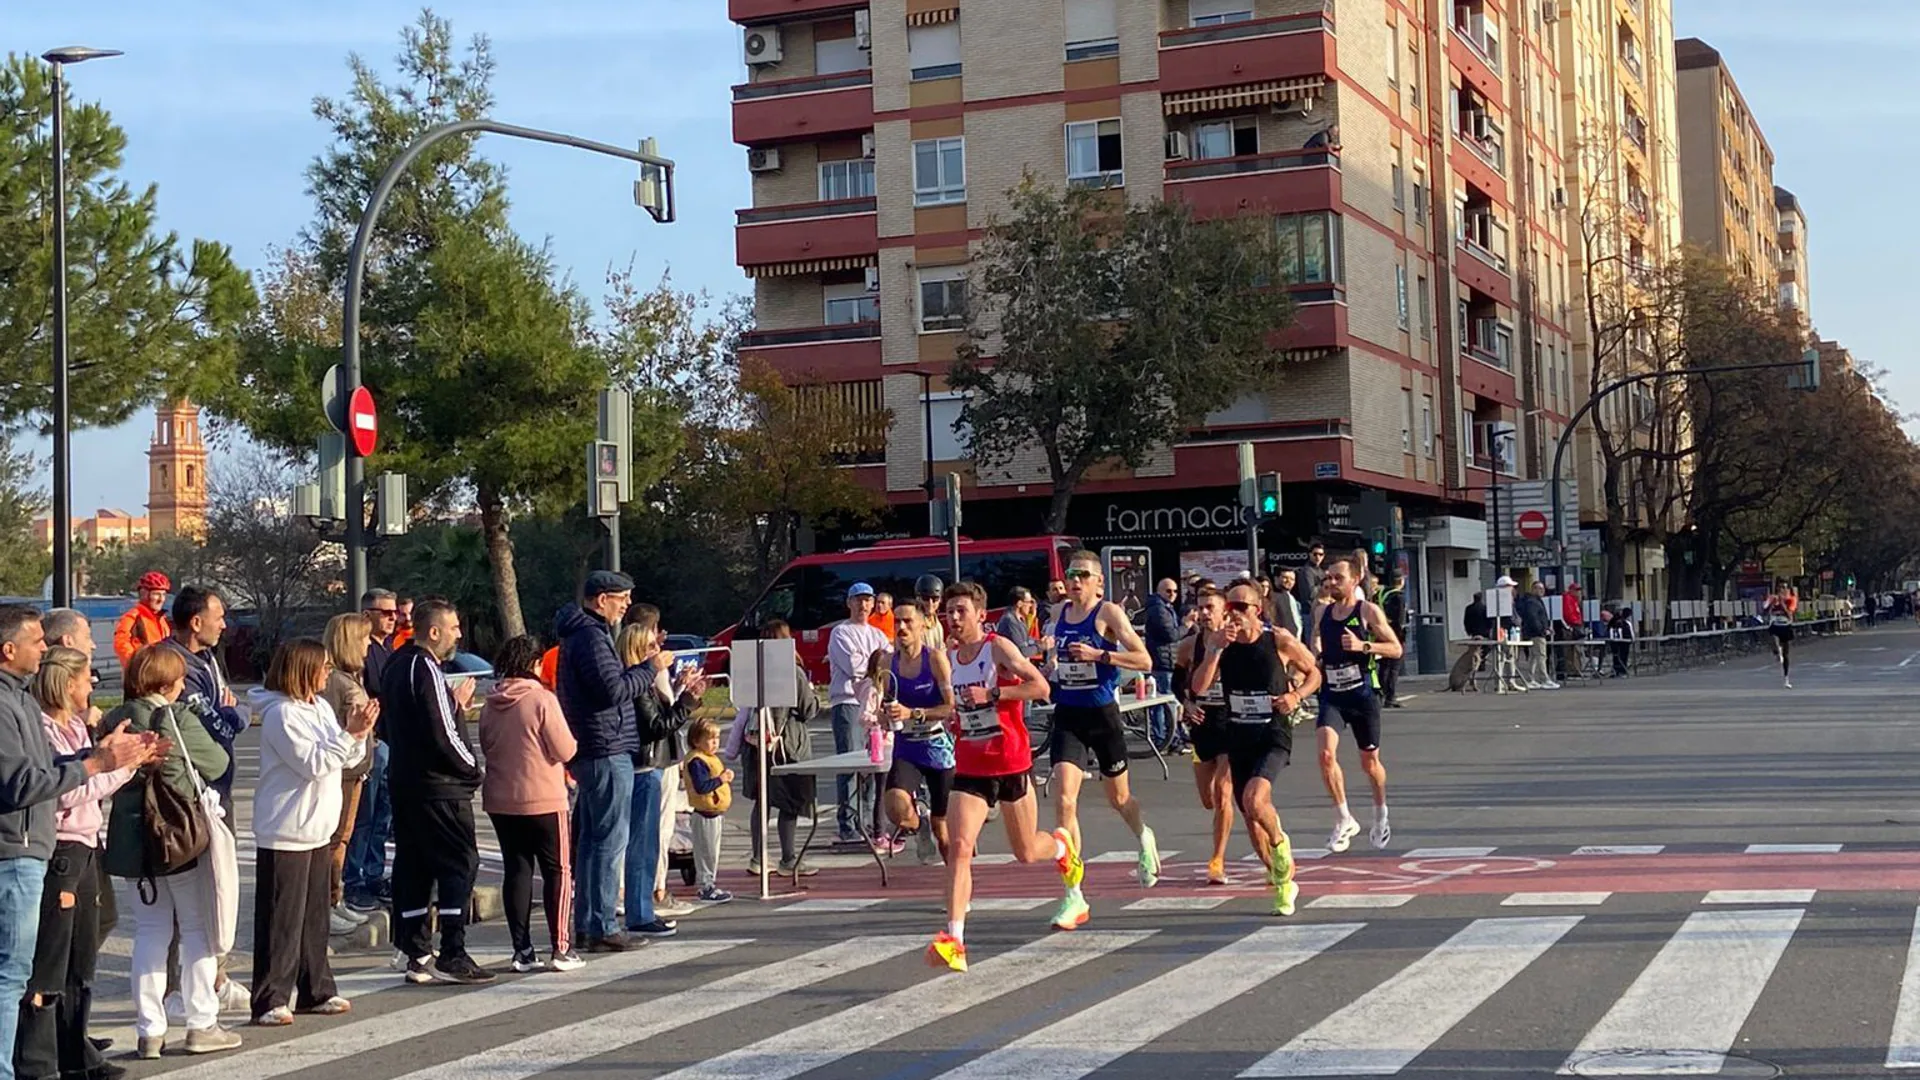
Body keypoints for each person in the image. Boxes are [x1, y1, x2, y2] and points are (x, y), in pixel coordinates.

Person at [102, 644, 237, 1059]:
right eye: (178, 678)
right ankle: (200, 1022)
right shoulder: (176, 718)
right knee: (195, 929)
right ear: (167, 683)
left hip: (131, 837)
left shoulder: (114, 718)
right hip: (180, 836)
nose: (182, 684)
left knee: (149, 931)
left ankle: (149, 1030)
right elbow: (216, 763)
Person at [926, 582, 1067, 974]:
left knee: (1025, 851)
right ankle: (955, 939)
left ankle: (1060, 848)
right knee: (959, 846)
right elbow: (951, 704)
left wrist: (994, 696)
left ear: (979, 615)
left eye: (960, 611)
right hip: (970, 765)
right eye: (949, 612)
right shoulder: (948, 656)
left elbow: (1040, 686)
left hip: (1010, 761)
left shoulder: (998, 648)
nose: (953, 618)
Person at [16, 647, 139, 1080]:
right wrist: (116, 765)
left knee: (81, 962)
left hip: (88, 844)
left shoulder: (72, 726)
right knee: (50, 964)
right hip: (64, 850)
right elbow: (67, 791)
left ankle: (75, 1051)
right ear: (67, 682)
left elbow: (92, 781)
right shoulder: (45, 729)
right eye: (87, 677)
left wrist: (122, 762)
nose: (92, 685)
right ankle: (38, 1060)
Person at [248, 638, 372, 1026]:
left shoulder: (317, 706)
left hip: (318, 826)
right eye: (322, 667)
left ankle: (316, 987)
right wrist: (348, 735)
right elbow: (314, 763)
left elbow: (344, 757)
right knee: (281, 918)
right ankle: (270, 996)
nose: (327, 674)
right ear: (302, 670)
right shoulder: (280, 715)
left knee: (314, 916)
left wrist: (358, 733)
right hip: (285, 828)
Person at [1043, 551, 1161, 932]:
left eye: (1083, 575)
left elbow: (1144, 661)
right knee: (1064, 800)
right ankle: (1074, 894)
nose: (1074, 581)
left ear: (1098, 582)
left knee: (1119, 799)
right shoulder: (1058, 614)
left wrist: (1100, 654)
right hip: (1069, 714)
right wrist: (1047, 662)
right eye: (1070, 574)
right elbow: (1054, 663)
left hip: (1103, 715)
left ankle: (1144, 837)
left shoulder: (1108, 613)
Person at [1190, 582, 1322, 916]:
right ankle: (1281, 877)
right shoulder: (1221, 643)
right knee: (1250, 815)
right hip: (1239, 734)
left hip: (1273, 732)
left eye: (1242, 607)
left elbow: (1314, 674)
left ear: (1257, 610)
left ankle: (1281, 846)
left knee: (1254, 798)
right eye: (1230, 607)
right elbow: (1198, 687)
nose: (1235, 614)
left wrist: (1296, 696)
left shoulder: (1278, 640)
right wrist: (1214, 651)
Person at [379, 599, 489, 985]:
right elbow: (443, 732)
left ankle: (416, 950)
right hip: (438, 787)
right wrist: (473, 769)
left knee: (414, 864)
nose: (459, 634)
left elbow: (389, 725)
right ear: (434, 631)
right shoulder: (424, 667)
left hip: (406, 781)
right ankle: (453, 951)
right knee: (460, 863)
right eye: (455, 627)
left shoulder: (396, 664)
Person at [552, 571, 652, 952]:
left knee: (593, 841)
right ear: (600, 599)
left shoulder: (579, 636)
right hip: (606, 746)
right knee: (609, 841)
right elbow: (611, 690)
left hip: (593, 747)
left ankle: (589, 922)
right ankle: (603, 923)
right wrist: (648, 671)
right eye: (621, 597)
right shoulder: (593, 637)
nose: (626, 605)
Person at [477, 636, 582, 974]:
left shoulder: (490, 702)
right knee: (558, 870)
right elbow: (565, 750)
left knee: (517, 870)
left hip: (501, 798)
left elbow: (486, 743)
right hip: (544, 797)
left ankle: (521, 949)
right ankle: (561, 947)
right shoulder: (541, 699)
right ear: (535, 664)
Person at [617, 610, 701, 939]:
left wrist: (680, 692)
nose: (659, 650)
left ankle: (641, 908)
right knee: (642, 843)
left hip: (651, 764)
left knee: (647, 841)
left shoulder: (645, 682)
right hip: (645, 765)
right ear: (639, 651)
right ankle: (639, 910)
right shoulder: (639, 684)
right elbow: (656, 726)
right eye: (652, 646)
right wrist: (688, 705)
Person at [1314, 559, 1403, 853]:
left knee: (1370, 763)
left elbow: (1395, 648)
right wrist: (1314, 656)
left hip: (1363, 694)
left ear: (1355, 579)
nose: (1332, 582)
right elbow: (1315, 640)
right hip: (1332, 695)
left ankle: (1380, 813)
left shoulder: (1367, 611)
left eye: (1338, 577)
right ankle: (1344, 818)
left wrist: (1365, 646)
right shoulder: (1322, 612)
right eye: (1329, 578)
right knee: (1326, 754)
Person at [727, 620, 817, 877]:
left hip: (755, 744)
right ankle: (788, 858)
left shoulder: (752, 669)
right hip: (787, 745)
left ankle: (758, 857)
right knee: (789, 803)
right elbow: (808, 709)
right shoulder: (792, 670)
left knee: (762, 801)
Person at [880, 602, 955, 866]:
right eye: (897, 621)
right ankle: (918, 822)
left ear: (922, 625)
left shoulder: (934, 659)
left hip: (936, 746)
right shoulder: (888, 661)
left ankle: (956, 881)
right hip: (906, 747)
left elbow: (950, 707)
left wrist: (914, 713)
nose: (901, 627)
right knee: (895, 806)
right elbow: (885, 705)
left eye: (908, 622)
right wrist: (883, 716)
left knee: (944, 832)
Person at [158, 587, 246, 809]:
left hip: (218, 789)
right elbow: (220, 728)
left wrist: (235, 713)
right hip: (194, 793)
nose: (223, 626)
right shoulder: (173, 666)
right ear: (196, 623)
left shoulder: (207, 658)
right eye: (218, 618)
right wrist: (231, 714)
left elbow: (236, 706)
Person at [319, 614, 378, 937]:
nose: (369, 644)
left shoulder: (349, 677)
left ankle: (336, 898)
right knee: (335, 839)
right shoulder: (337, 682)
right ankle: (327, 903)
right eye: (364, 638)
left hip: (356, 770)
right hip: (342, 770)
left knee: (343, 837)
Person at [344, 592, 401, 914]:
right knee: (364, 816)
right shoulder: (362, 656)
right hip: (371, 743)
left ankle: (374, 873)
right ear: (368, 614)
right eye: (386, 613)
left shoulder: (387, 649)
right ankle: (355, 880)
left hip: (388, 741)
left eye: (395, 613)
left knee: (383, 814)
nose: (393, 618)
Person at [1173, 586, 1234, 884]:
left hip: (1232, 722)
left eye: (1211, 607)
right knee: (1208, 799)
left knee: (1224, 794)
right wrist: (1186, 703)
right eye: (1201, 608)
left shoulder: (1238, 643)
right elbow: (1176, 682)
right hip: (1202, 723)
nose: (1205, 613)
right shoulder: (1190, 645)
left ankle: (1217, 860)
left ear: (1225, 611)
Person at [826, 584, 891, 847]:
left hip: (875, 704)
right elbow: (855, 667)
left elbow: (888, 663)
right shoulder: (840, 632)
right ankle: (848, 823)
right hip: (848, 701)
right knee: (849, 763)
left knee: (874, 764)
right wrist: (875, 664)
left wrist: (876, 665)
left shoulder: (878, 634)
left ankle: (869, 821)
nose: (864, 606)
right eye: (858, 601)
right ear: (849, 603)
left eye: (868, 601)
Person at [679, 718, 732, 904]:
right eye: (710, 739)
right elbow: (702, 786)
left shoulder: (709, 758)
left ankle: (710, 883)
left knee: (712, 851)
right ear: (696, 741)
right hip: (704, 813)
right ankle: (705, 885)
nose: (715, 742)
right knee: (706, 852)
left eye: (717, 738)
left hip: (714, 812)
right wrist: (721, 779)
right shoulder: (697, 761)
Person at [1143, 579, 1182, 754]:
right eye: (1168, 591)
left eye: (1174, 591)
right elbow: (1171, 634)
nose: (1172, 594)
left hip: (1166, 659)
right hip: (1161, 661)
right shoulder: (1159, 609)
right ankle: (1164, 739)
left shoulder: (1165, 607)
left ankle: (1167, 738)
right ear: (1159, 591)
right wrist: (1186, 626)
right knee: (1162, 701)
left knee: (1164, 701)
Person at [112, 574, 171, 672]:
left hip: (162, 674)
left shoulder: (162, 620)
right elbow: (121, 644)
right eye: (156, 594)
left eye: (164, 594)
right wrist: (140, 668)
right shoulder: (132, 618)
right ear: (143, 593)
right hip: (143, 679)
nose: (161, 599)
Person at [1375, 571, 1410, 705]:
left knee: (1384, 666)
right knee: (1394, 667)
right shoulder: (1399, 597)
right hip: (1395, 634)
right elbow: (1400, 620)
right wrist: (1401, 635)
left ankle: (1381, 694)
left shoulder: (1381, 594)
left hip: (1381, 632)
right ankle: (1391, 696)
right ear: (1401, 581)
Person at [1516, 581, 1556, 690]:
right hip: (1537, 634)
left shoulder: (1534, 601)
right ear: (1533, 589)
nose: (1542, 590)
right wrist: (1542, 630)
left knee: (1533, 657)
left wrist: (1546, 627)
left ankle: (1530, 679)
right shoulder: (1532, 602)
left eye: (1542, 588)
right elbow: (1534, 618)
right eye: (1538, 588)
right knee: (1541, 656)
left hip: (1533, 633)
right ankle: (1544, 679)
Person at [1765, 582, 1798, 689]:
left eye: (1784, 587)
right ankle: (1776, 651)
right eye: (1780, 588)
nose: (1782, 590)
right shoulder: (1773, 598)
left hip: (1786, 625)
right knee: (1771, 635)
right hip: (1775, 624)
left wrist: (1782, 603)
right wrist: (1771, 603)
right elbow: (1764, 609)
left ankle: (1786, 678)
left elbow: (1789, 614)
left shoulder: (1791, 600)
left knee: (1786, 654)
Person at [992, 588, 1040, 660]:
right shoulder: (1010, 621)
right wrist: (1041, 647)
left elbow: (1026, 640)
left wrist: (1039, 642)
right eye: (1029, 602)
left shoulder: (1020, 620)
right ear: (1019, 603)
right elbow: (1022, 652)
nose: (1031, 606)